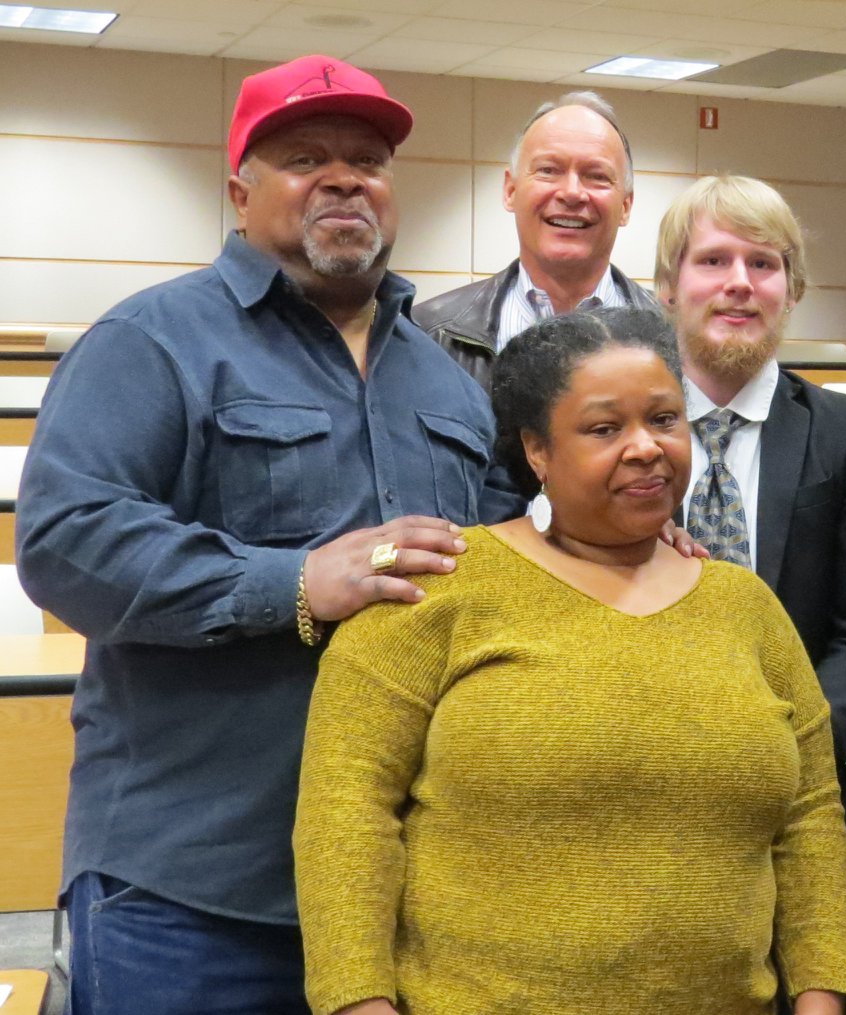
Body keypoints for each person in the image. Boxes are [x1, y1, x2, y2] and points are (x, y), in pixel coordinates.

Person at [14, 55, 522, 1014]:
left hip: (399, 882)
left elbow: (501, 570)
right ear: (241, 191)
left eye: (368, 160)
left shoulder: (451, 385)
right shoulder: (152, 341)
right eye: (304, 157)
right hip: (193, 886)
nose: (344, 178)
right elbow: (66, 541)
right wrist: (293, 580)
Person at [294, 307, 846, 1015]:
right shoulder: (433, 592)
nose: (646, 448)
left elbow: (810, 818)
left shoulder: (744, 605)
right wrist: (359, 1003)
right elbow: (345, 817)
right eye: (604, 428)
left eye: (664, 419)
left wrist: (823, 998)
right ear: (538, 450)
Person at [654, 174, 846, 881]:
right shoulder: (617, 426)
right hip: (635, 781)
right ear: (667, 286)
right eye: (713, 261)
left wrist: (787, 749)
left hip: (798, 796)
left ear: (791, 291)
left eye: (763, 264)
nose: (739, 283)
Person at [414, 90, 656, 389]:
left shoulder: (677, 336)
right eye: (548, 171)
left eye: (596, 176)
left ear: (626, 206)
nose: (572, 193)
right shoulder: (428, 334)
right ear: (510, 191)